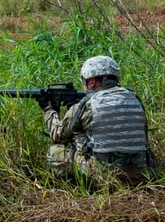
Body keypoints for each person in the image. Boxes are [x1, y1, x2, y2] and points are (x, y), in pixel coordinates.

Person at [42, 55, 152, 184]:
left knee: (56, 152)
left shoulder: (87, 105)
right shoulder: (134, 99)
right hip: (140, 175)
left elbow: (58, 135)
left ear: (92, 82)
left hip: (104, 177)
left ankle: (79, 185)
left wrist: (48, 109)